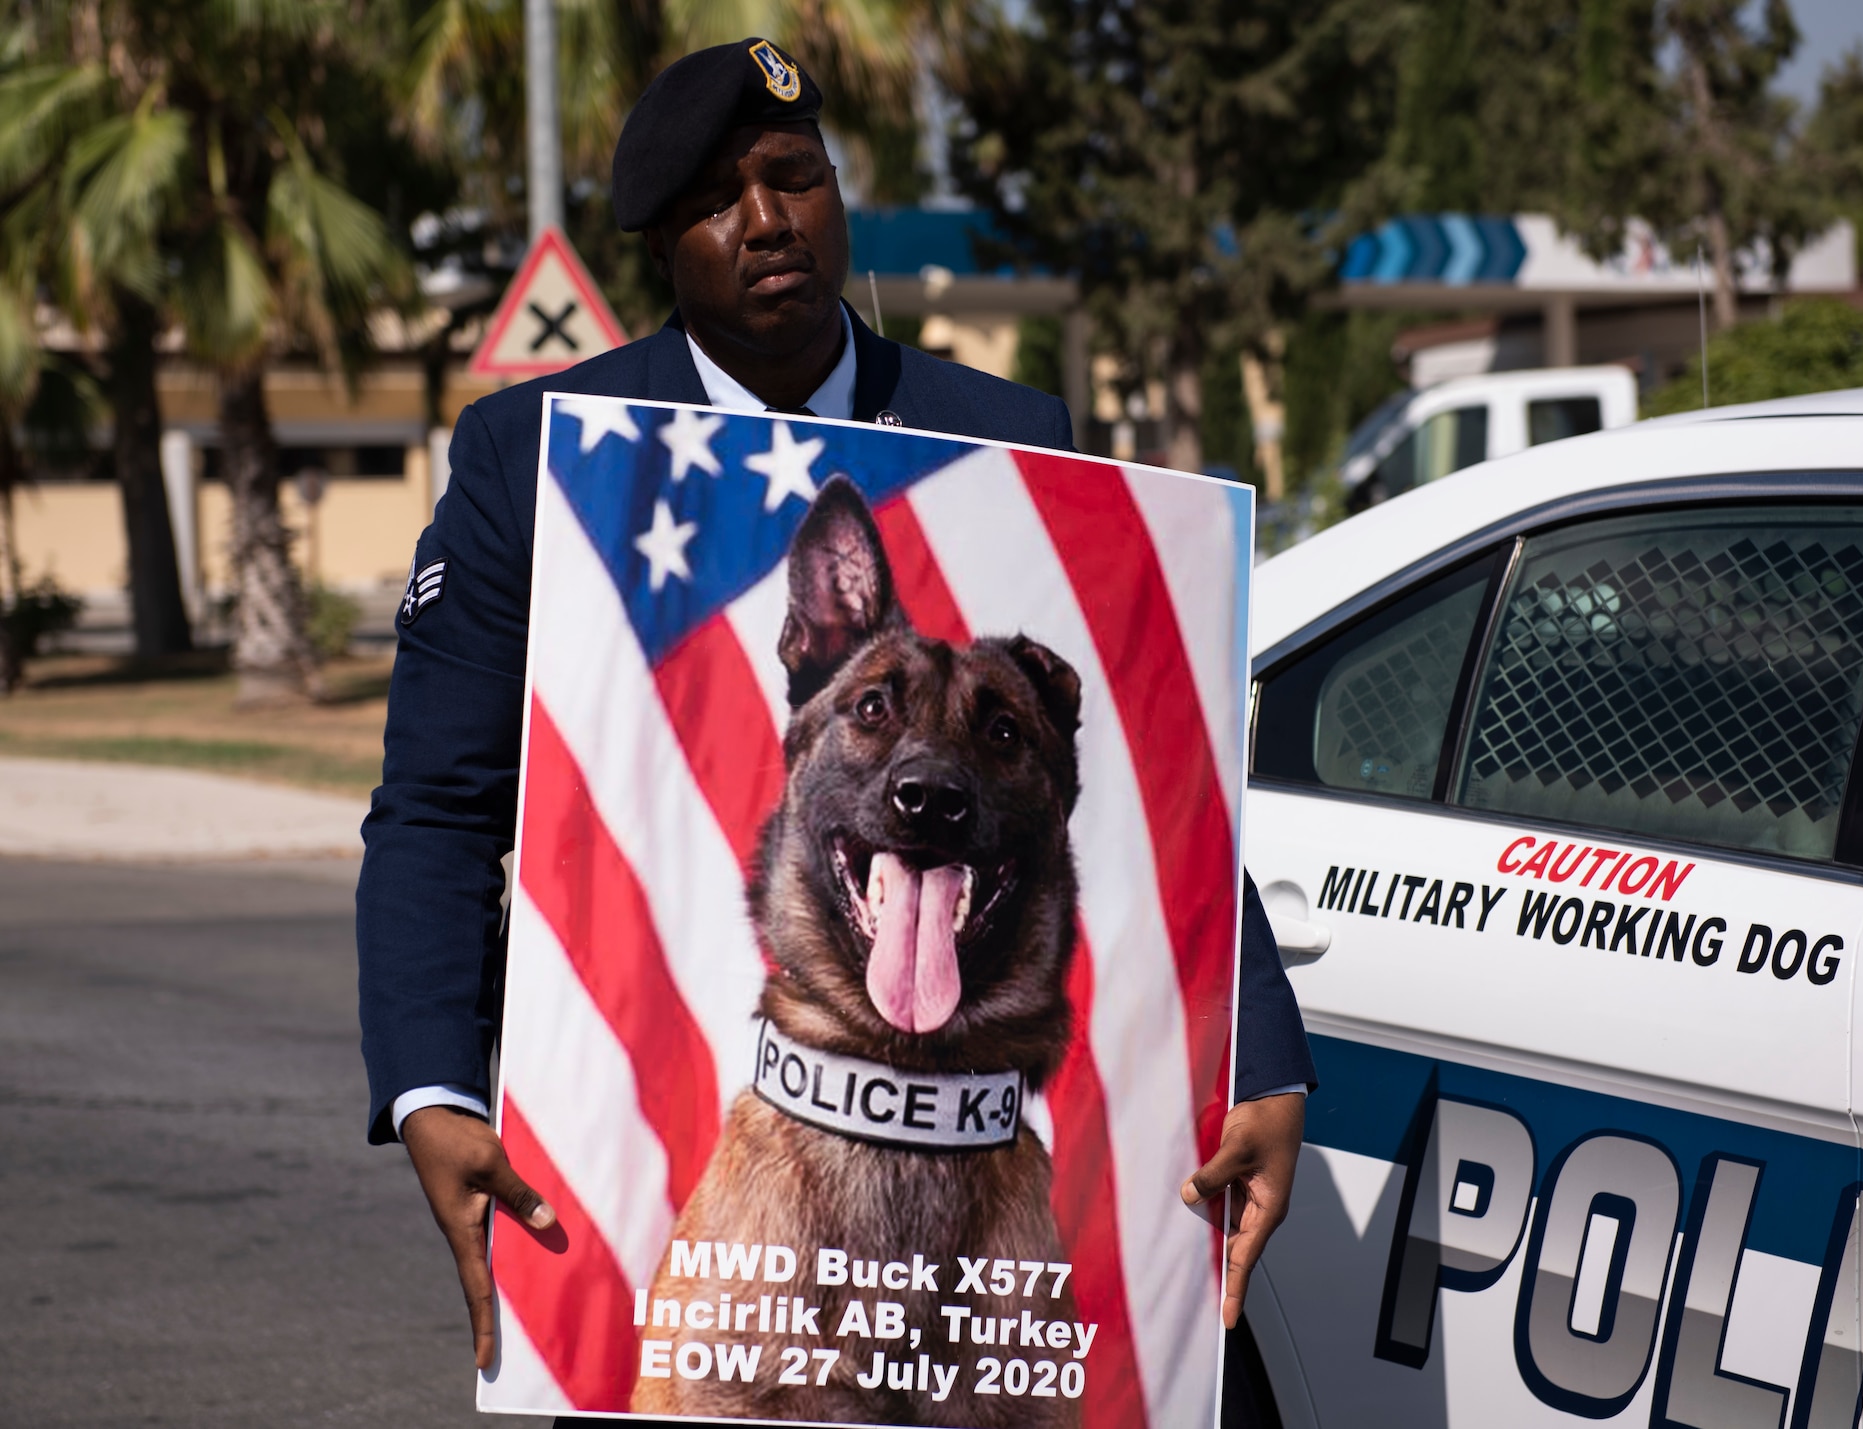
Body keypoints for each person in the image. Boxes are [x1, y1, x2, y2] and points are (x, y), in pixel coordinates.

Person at [356, 36, 1315, 1415]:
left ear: (837, 193)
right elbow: (438, 809)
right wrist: (430, 1087)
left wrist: (1263, 1062)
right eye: (717, 202)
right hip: (680, 1199)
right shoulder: (540, 454)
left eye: (794, 178)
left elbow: (1176, 778)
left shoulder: (1011, 435)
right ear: (660, 245)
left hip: (998, 1217)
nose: (765, 221)